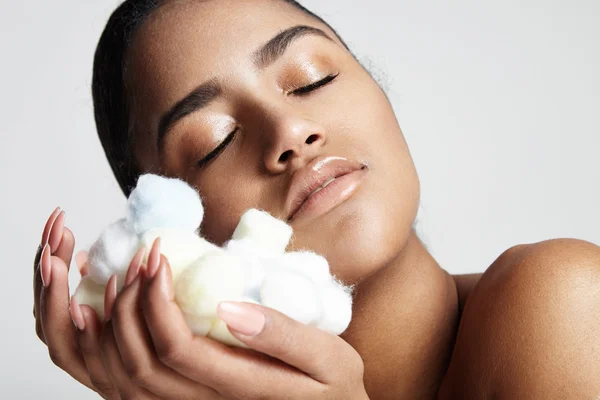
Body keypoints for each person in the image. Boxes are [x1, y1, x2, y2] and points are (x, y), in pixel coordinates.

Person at [32, 0, 600, 398]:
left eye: (311, 79)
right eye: (215, 142)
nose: (288, 132)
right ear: (166, 235)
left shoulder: (561, 302)